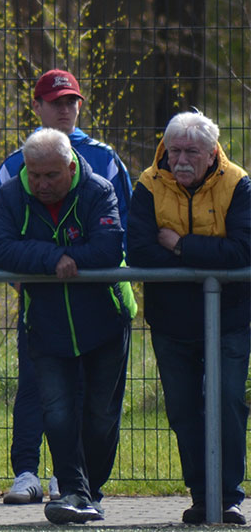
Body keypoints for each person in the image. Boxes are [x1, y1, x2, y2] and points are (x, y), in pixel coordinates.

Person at [0, 69, 133, 506]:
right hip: (44, 312)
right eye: (35, 176)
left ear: (70, 168)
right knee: (54, 406)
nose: (42, 185)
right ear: (37, 107)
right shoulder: (13, 180)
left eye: (72, 101)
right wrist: (51, 259)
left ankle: (89, 490)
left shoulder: (101, 173)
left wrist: (59, 257)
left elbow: (111, 243)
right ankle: (66, 489)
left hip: (103, 313)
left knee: (100, 413)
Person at [127, 110, 249, 525]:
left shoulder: (238, 184)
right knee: (182, 410)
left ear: (212, 153)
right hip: (171, 322)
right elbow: (140, 251)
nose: (180, 160)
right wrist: (207, 256)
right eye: (174, 150)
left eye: (191, 152)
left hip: (230, 319)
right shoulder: (148, 184)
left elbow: (243, 251)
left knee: (228, 402)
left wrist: (180, 245)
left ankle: (229, 497)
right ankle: (201, 496)